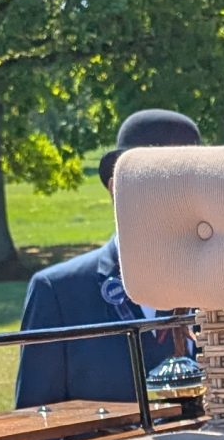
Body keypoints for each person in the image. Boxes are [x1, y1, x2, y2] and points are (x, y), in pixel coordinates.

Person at [15, 109, 201, 410]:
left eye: (188, 182)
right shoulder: (59, 292)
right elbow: (36, 421)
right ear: (116, 189)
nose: (174, 197)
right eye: (157, 181)